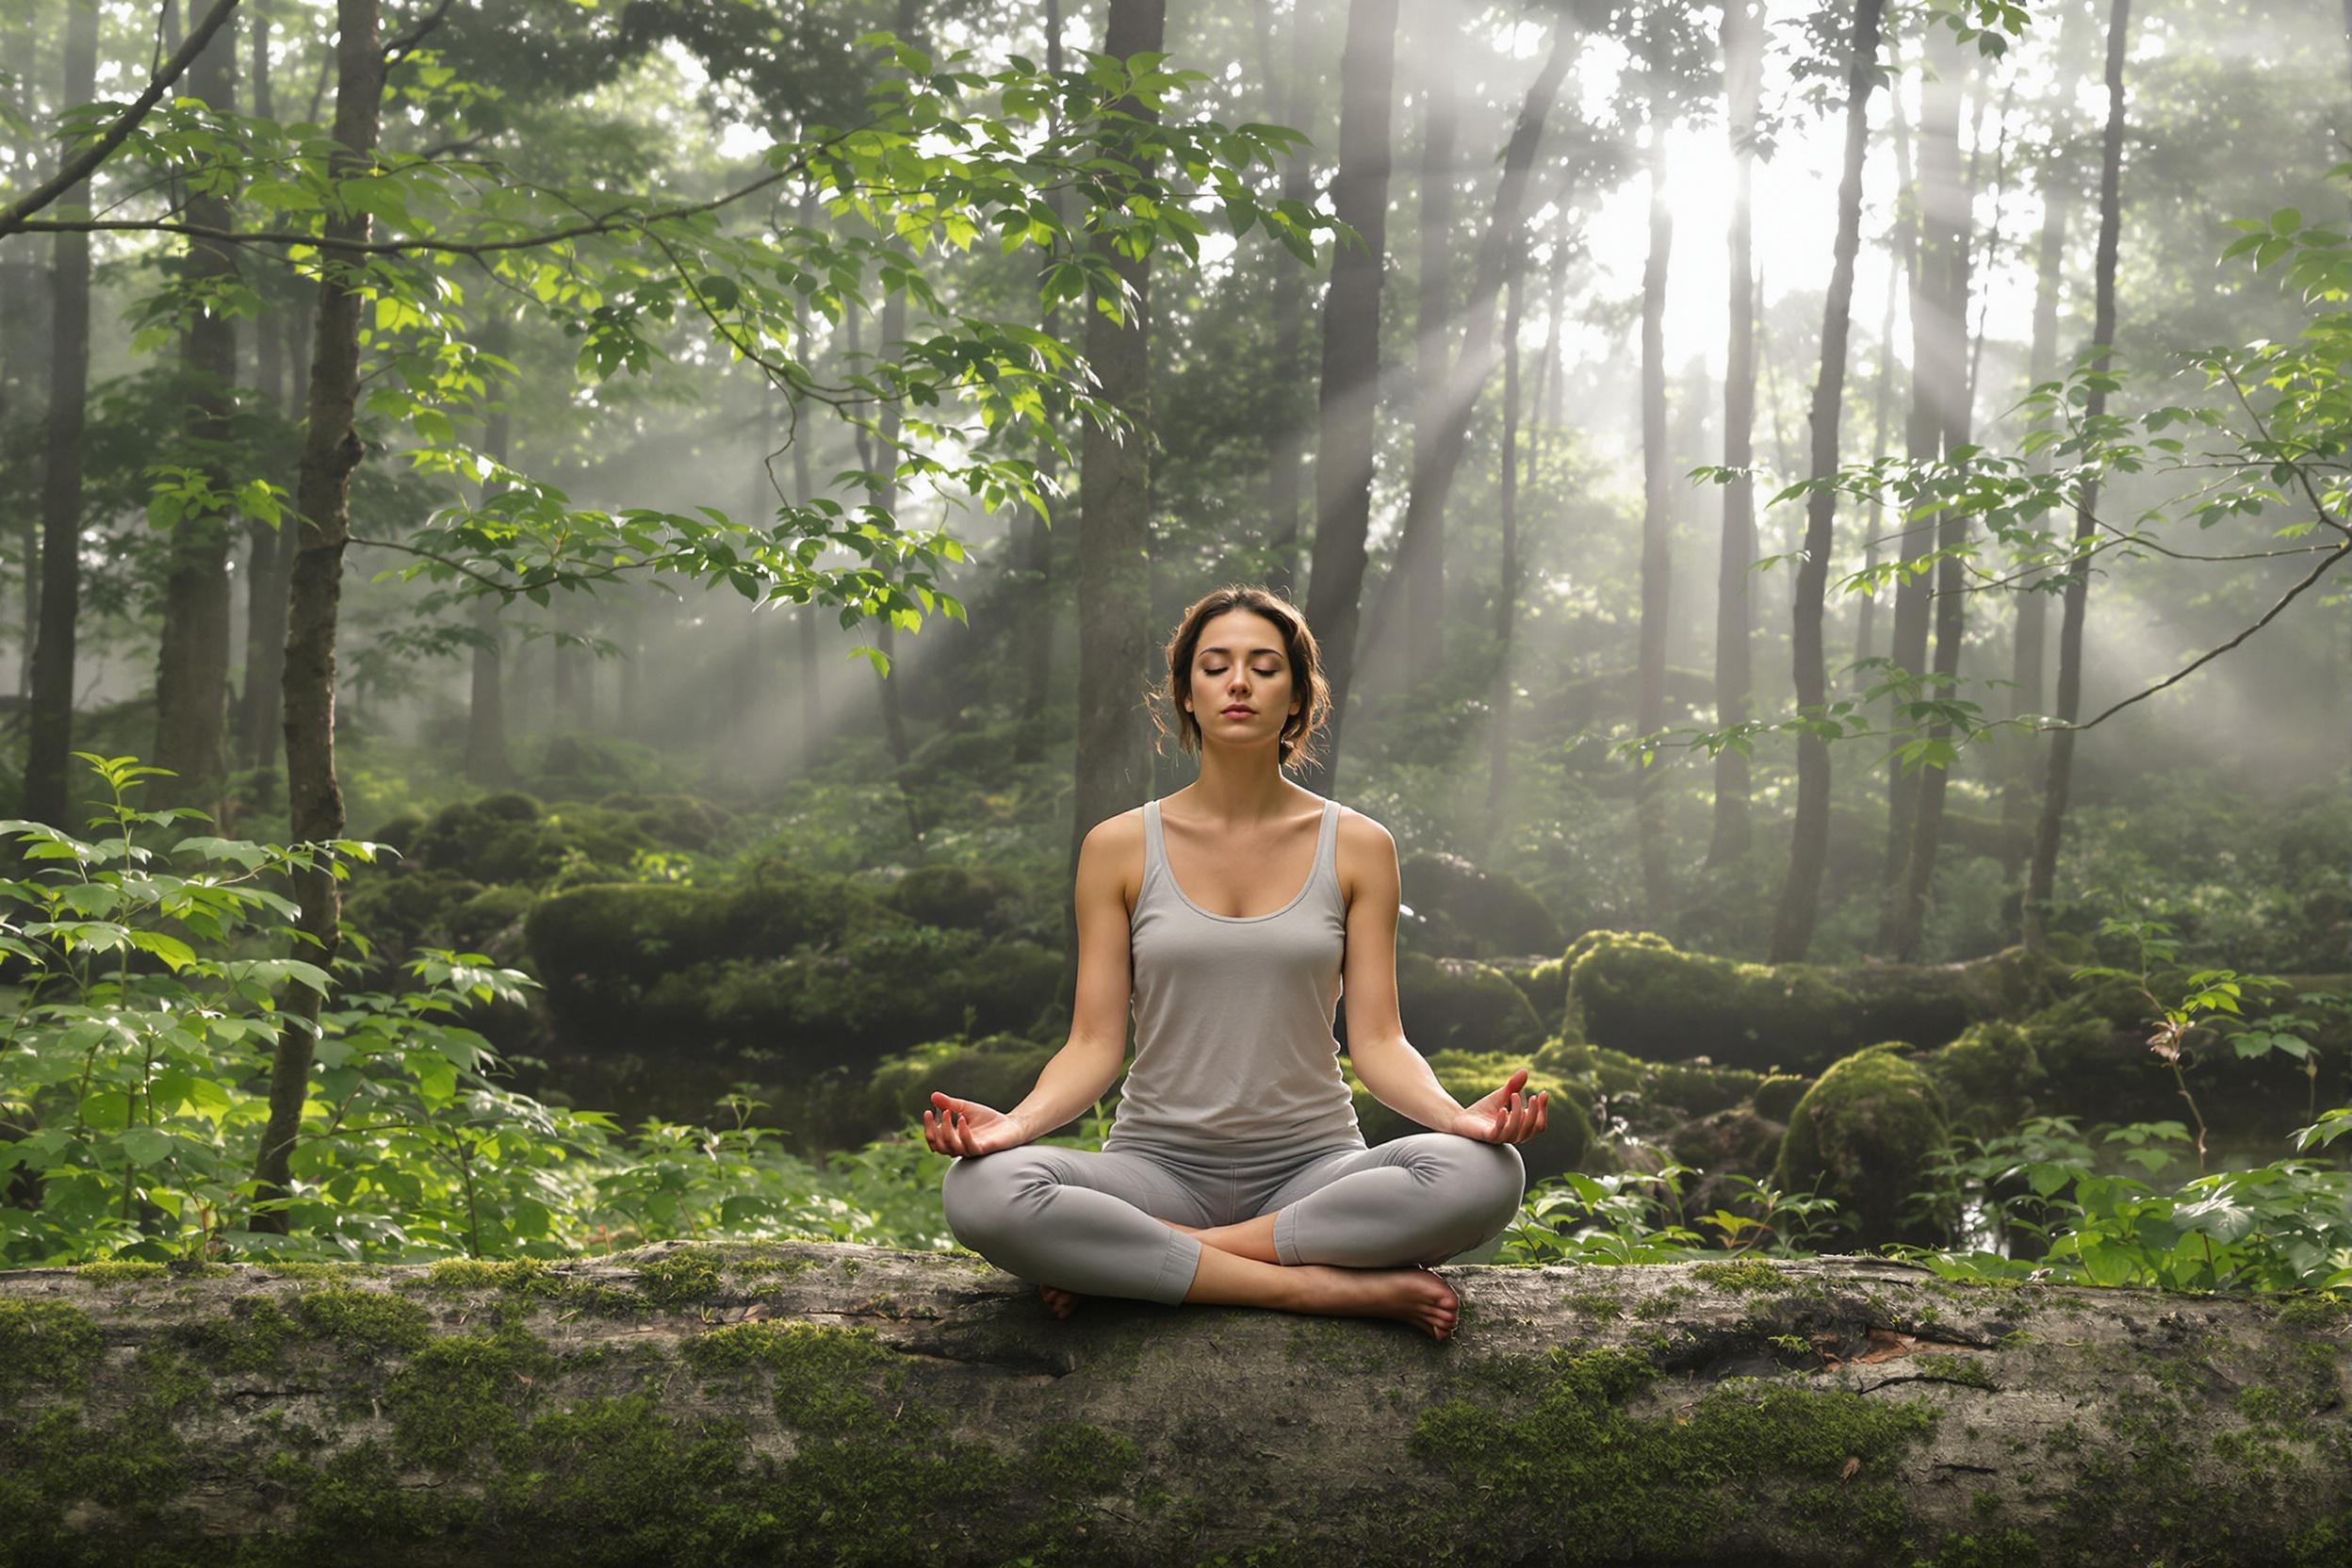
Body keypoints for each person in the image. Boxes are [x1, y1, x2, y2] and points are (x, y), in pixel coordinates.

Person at [925, 584, 1547, 1342]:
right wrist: (1013, 1127)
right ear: (1186, 695)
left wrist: (1458, 1118)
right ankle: (1317, 1290)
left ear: (1298, 697)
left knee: (1486, 1175)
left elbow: (1379, 1041)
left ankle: (1156, 1267)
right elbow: (1093, 1044)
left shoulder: (1359, 846)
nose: (1240, 684)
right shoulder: (1117, 848)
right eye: (1216, 667)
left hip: (1314, 1173)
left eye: (1264, 666)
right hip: (1155, 1172)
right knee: (983, 1192)